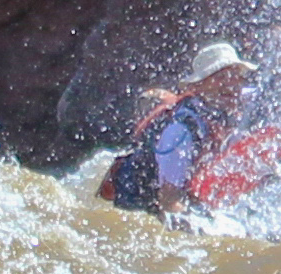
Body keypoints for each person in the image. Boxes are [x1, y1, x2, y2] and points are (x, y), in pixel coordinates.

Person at [104, 42, 258, 215]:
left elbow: (262, 94)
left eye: (236, 76)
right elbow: (169, 201)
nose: (231, 85)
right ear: (196, 87)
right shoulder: (181, 131)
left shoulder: (221, 104)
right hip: (139, 205)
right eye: (221, 77)